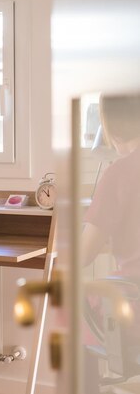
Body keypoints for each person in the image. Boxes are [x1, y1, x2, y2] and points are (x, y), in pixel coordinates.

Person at [80, 94, 140, 391]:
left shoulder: (119, 173)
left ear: (111, 126)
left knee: (72, 313)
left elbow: (83, 254)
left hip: (134, 303)